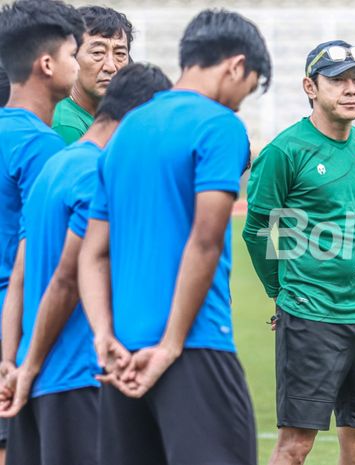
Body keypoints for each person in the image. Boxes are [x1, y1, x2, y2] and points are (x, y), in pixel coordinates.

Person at [78, 9, 270, 465]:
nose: (240, 105)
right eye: (248, 90)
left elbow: (93, 254)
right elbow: (205, 240)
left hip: (122, 357)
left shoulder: (124, 133)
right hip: (194, 346)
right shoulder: (219, 125)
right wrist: (171, 344)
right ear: (236, 66)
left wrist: (104, 336)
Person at [0, 63, 171, 465]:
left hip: (33, 378)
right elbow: (68, 280)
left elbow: (20, 279)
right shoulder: (97, 174)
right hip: (81, 375)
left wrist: (12, 365)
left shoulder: (52, 169)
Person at [243, 40, 355, 465]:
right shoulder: (284, 152)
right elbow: (257, 231)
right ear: (310, 86)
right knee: (296, 445)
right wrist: (281, 292)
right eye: (338, 80)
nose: (351, 89)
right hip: (310, 318)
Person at [0, 1, 84, 463]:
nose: (78, 65)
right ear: (47, 63)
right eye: (74, 54)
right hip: (14, 328)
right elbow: (44, 256)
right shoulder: (42, 145)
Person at [53, 6, 132, 144]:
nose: (111, 66)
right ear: (72, 56)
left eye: (120, 54)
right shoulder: (66, 126)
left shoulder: (116, 117)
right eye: (97, 53)